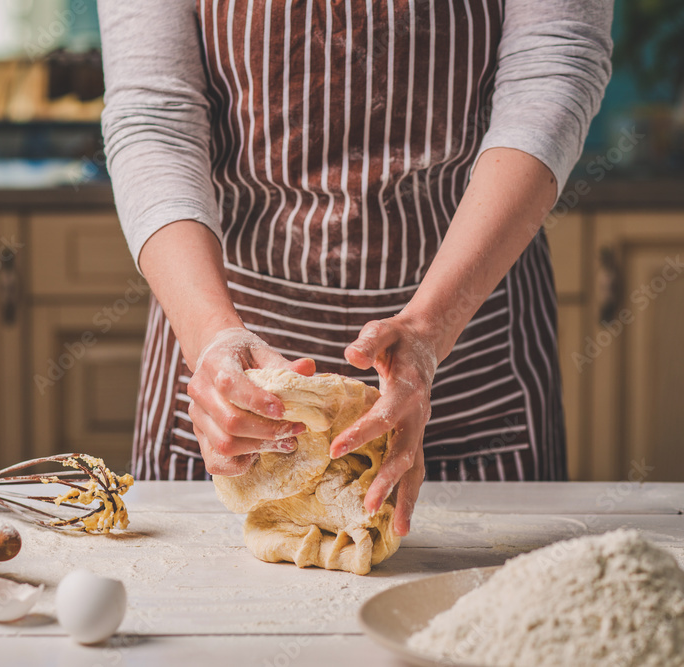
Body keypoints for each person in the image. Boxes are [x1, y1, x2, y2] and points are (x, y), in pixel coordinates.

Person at [98, 0, 613, 536]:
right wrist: (210, 336)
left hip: (473, 363)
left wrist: (428, 331)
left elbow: (554, 68)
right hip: (226, 362)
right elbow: (155, 114)